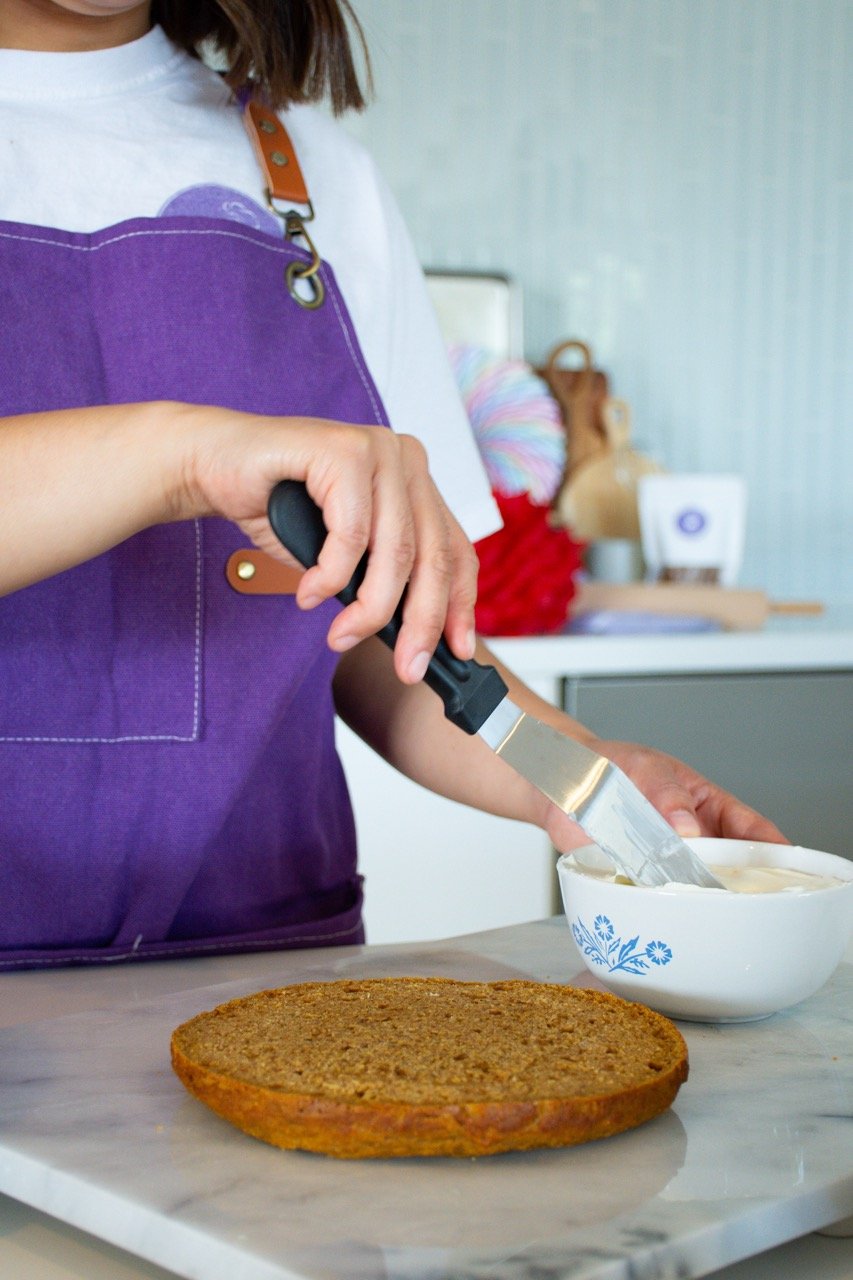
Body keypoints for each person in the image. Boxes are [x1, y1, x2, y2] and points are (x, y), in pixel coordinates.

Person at [0, 0, 785, 969]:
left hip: (265, 978)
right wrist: (180, 456)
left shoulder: (318, 181)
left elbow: (383, 634)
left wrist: (578, 779)